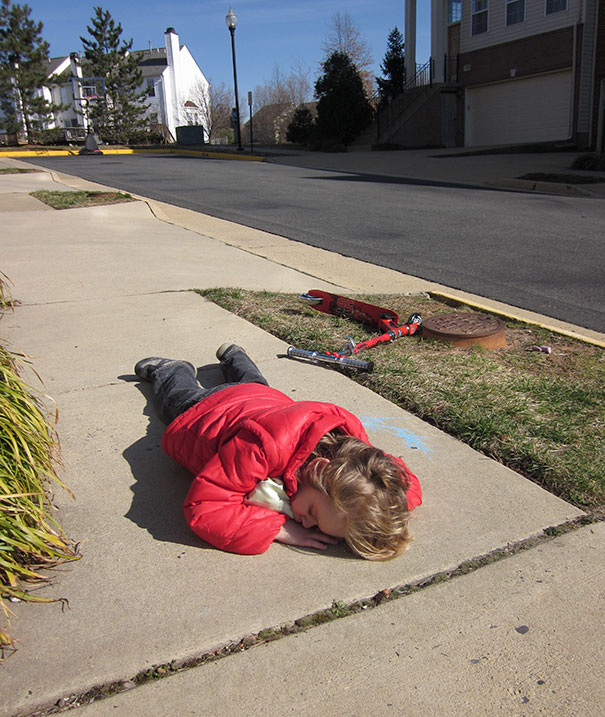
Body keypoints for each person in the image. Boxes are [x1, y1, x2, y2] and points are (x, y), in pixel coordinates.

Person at [135, 344, 422, 560]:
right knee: (175, 399)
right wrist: (280, 530)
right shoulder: (262, 448)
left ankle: (235, 354)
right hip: (207, 411)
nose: (307, 524)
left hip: (265, 400)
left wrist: (390, 511)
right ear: (319, 469)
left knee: (253, 382)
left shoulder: (356, 454)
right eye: (312, 513)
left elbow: (405, 483)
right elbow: (205, 508)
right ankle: (171, 369)